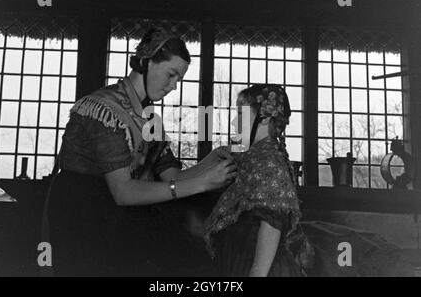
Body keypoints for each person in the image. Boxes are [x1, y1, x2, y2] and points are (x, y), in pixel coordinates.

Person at [46, 28, 237, 276]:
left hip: (119, 216)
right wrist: (201, 182)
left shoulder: (149, 120)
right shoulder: (105, 109)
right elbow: (123, 191)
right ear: (146, 63)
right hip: (84, 213)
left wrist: (211, 160)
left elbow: (173, 179)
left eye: (178, 79)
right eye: (171, 75)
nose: (174, 86)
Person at [204, 84, 313, 277]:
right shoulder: (252, 155)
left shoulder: (269, 161)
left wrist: (256, 274)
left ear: (264, 119)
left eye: (240, 114)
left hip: (260, 269)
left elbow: (272, 223)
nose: (233, 122)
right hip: (239, 260)